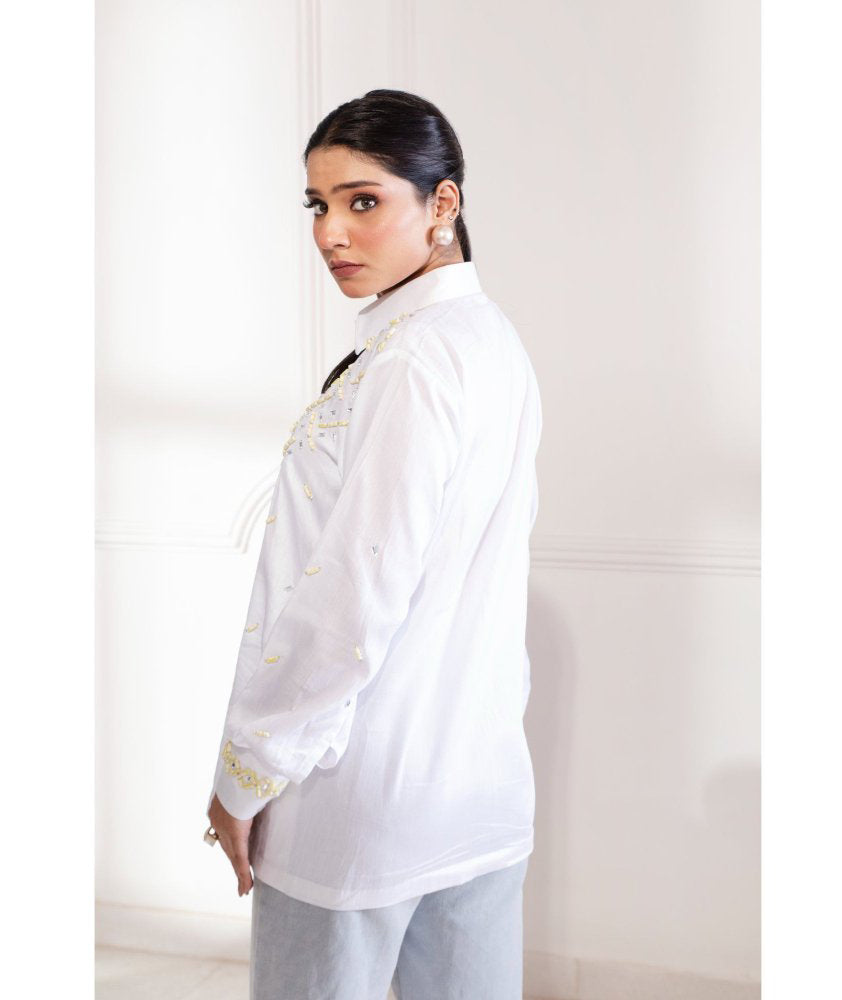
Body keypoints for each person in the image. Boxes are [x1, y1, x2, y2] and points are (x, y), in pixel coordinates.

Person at [203, 88, 542, 999]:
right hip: (478, 785)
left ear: (442, 202)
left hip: (359, 796)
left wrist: (246, 776)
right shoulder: (489, 340)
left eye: (363, 201)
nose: (331, 233)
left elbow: (352, 600)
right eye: (318, 205)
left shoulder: (413, 359)